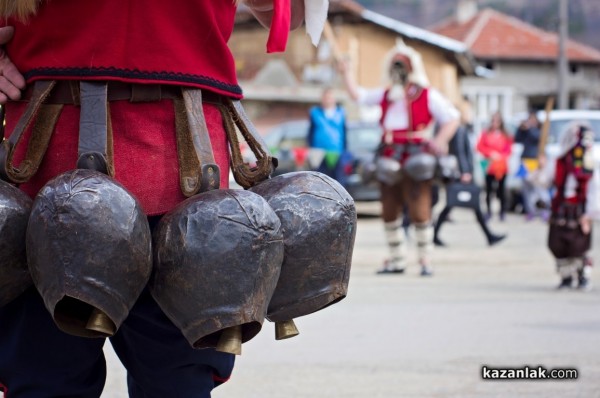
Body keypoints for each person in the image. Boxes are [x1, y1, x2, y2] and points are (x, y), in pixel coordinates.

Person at [0, 1, 323, 396]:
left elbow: (284, 13)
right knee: (47, 377)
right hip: (53, 166)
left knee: (169, 380)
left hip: (178, 176)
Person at [339, 40, 459, 276]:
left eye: (401, 67)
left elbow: (452, 117)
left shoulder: (427, 95)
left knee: (419, 208)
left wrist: (440, 140)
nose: (398, 73)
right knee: (389, 208)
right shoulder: (386, 95)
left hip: (416, 153)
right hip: (389, 152)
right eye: (395, 67)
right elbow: (358, 96)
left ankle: (425, 260)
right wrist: (347, 73)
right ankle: (397, 260)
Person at [434, 99, 506, 247]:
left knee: (456, 204)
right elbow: (461, 152)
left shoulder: (454, 127)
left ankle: (489, 235)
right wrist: (465, 171)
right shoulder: (459, 129)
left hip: (457, 172)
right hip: (461, 173)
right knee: (460, 204)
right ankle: (489, 236)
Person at [548, 123, 599, 291]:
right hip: (561, 208)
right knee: (558, 244)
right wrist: (539, 169)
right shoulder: (560, 161)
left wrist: (589, 214)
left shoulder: (588, 163)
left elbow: (593, 188)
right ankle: (566, 277)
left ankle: (583, 276)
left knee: (579, 245)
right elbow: (546, 179)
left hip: (579, 209)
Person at [476, 111, 513, 221]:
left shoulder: (506, 135)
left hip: (501, 166)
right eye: (493, 121)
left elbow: (509, 150)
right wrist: (490, 153)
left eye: (497, 121)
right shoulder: (485, 133)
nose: (495, 123)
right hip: (489, 165)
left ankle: (502, 212)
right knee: (488, 190)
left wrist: (500, 156)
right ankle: (488, 212)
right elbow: (479, 147)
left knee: (501, 190)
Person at [515, 111, 550, 220]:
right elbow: (517, 139)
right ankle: (530, 211)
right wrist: (520, 128)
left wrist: (529, 128)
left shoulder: (539, 131)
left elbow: (538, 138)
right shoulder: (526, 131)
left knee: (539, 188)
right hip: (525, 161)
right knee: (526, 189)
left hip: (536, 161)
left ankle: (544, 209)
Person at [307, 86, 347, 180]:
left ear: (334, 99)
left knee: (338, 180)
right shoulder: (315, 113)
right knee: (318, 180)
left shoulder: (341, 112)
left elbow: (345, 132)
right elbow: (310, 132)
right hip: (318, 153)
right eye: (325, 98)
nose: (327, 100)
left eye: (329, 98)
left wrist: (345, 150)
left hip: (336, 152)